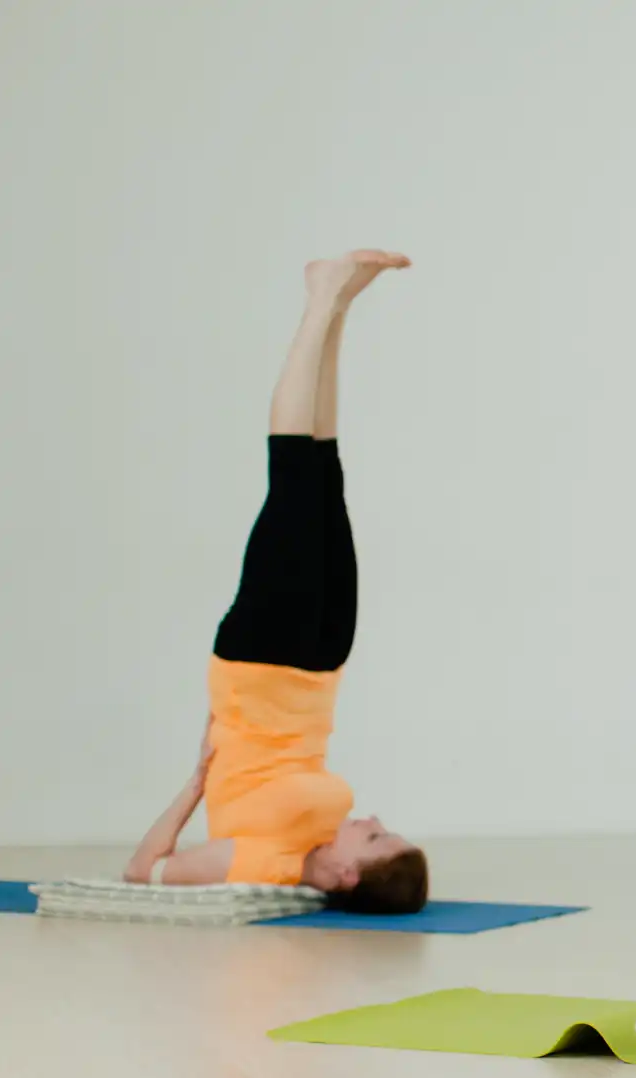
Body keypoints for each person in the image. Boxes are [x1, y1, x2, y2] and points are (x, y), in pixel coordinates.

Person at [121, 250, 429, 915]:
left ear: (346, 875)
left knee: (292, 475)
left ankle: (321, 297)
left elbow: (143, 870)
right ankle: (341, 306)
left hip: (260, 663)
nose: (370, 817)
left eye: (374, 835)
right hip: (320, 670)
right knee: (325, 474)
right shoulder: (324, 834)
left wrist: (195, 784)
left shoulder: (259, 864)